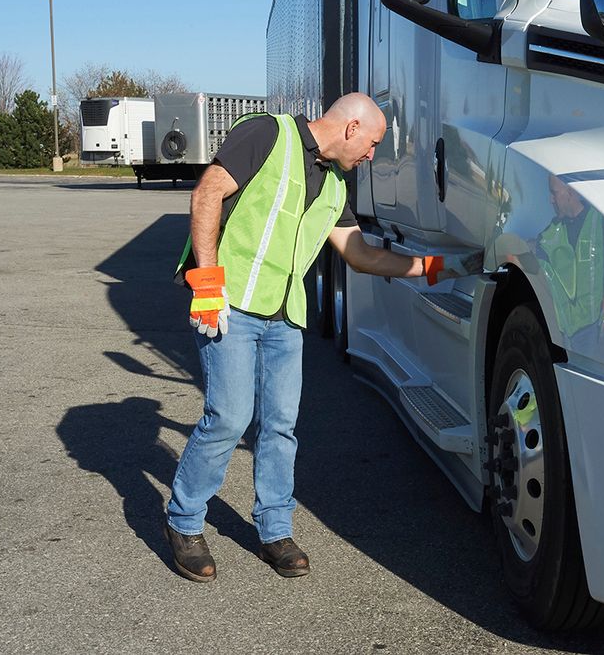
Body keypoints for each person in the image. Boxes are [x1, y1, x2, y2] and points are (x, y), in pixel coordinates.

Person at [164, 93, 476, 582]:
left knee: (281, 426)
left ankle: (275, 531)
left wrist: (436, 267)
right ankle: (184, 521)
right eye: (372, 143)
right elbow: (207, 193)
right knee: (228, 418)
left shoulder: (333, 186)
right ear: (351, 128)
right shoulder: (268, 134)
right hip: (231, 306)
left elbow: (361, 255)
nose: (371, 154)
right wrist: (207, 284)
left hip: (286, 317)